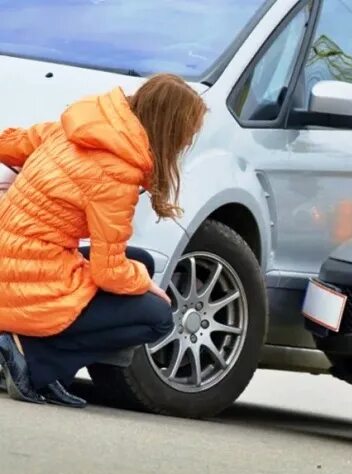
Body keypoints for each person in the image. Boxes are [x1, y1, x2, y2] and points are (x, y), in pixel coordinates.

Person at [0, 74, 207, 407]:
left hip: (13, 258)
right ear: (170, 129)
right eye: (187, 134)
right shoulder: (116, 171)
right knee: (158, 316)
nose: (186, 143)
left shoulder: (80, 126)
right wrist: (145, 284)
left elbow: (11, 143)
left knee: (143, 260)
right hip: (24, 279)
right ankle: (32, 356)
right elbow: (108, 271)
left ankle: (38, 361)